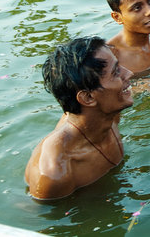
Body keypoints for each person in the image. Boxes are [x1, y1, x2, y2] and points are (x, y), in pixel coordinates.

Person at [25, 36, 134, 199]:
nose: (130, 73)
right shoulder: (56, 172)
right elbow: (43, 218)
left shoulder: (109, 112)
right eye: (116, 72)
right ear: (88, 98)